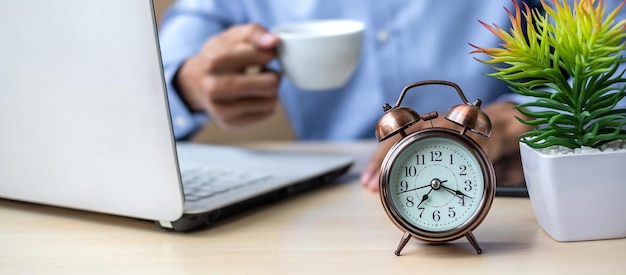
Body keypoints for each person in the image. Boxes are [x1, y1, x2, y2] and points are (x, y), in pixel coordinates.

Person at [157, 0, 545, 191]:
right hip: (330, 187)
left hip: (500, 179)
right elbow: (167, 56)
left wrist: (524, 115)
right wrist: (184, 84)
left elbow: (606, 74)